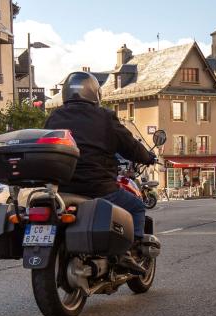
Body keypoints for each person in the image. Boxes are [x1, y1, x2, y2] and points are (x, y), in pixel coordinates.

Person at [44, 71, 156, 274]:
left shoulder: (54, 117)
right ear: (94, 93)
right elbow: (128, 144)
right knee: (137, 206)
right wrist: (147, 157)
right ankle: (127, 253)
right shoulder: (104, 117)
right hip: (97, 186)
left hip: (63, 188)